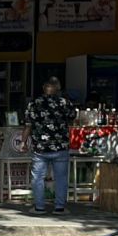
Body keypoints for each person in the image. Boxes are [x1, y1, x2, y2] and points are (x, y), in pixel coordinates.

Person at [23, 76, 77, 213]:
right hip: (60, 147)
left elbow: (28, 126)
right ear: (58, 88)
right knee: (61, 178)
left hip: (40, 148)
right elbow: (72, 118)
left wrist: (23, 142)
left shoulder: (34, 104)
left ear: (43, 88)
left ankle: (39, 207)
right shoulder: (65, 103)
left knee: (38, 178)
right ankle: (59, 207)